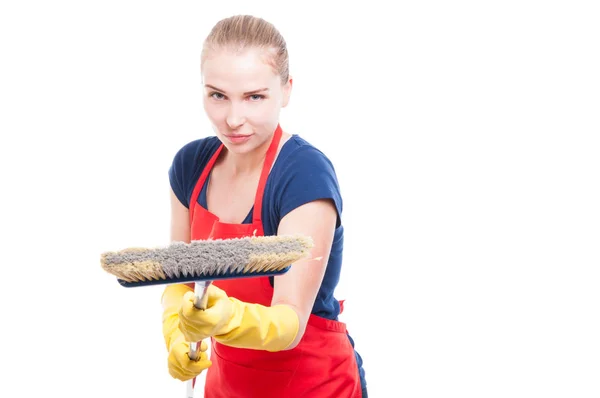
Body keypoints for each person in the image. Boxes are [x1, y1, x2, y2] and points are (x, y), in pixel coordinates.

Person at [161, 14, 367, 398]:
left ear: (286, 90)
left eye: (255, 97)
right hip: (228, 385)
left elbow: (289, 323)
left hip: (313, 384)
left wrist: (225, 318)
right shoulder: (191, 168)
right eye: (217, 95)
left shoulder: (302, 174)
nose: (233, 119)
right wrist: (177, 334)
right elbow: (181, 281)